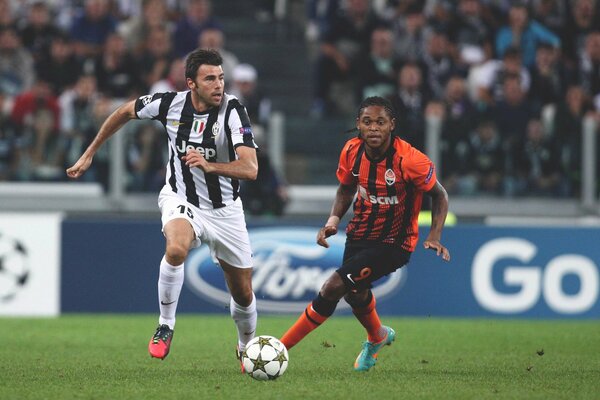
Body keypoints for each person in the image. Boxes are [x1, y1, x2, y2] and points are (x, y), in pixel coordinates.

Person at [66, 49, 259, 367]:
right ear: (191, 83)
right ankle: (165, 325)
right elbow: (124, 111)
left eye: (221, 78)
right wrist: (89, 152)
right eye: (210, 78)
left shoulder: (233, 110)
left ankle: (247, 346)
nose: (218, 85)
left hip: (225, 210)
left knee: (243, 293)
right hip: (181, 198)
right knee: (177, 248)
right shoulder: (169, 103)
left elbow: (250, 168)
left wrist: (211, 166)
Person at [279, 96, 451, 371]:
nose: (373, 128)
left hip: (395, 242)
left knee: (333, 286)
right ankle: (377, 336)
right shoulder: (351, 151)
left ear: (391, 125)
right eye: (367, 122)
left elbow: (439, 195)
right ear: (358, 124)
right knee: (355, 293)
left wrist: (435, 236)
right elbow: (346, 188)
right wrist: (333, 220)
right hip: (360, 233)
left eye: (380, 122)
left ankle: (278, 349)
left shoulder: (410, 160)